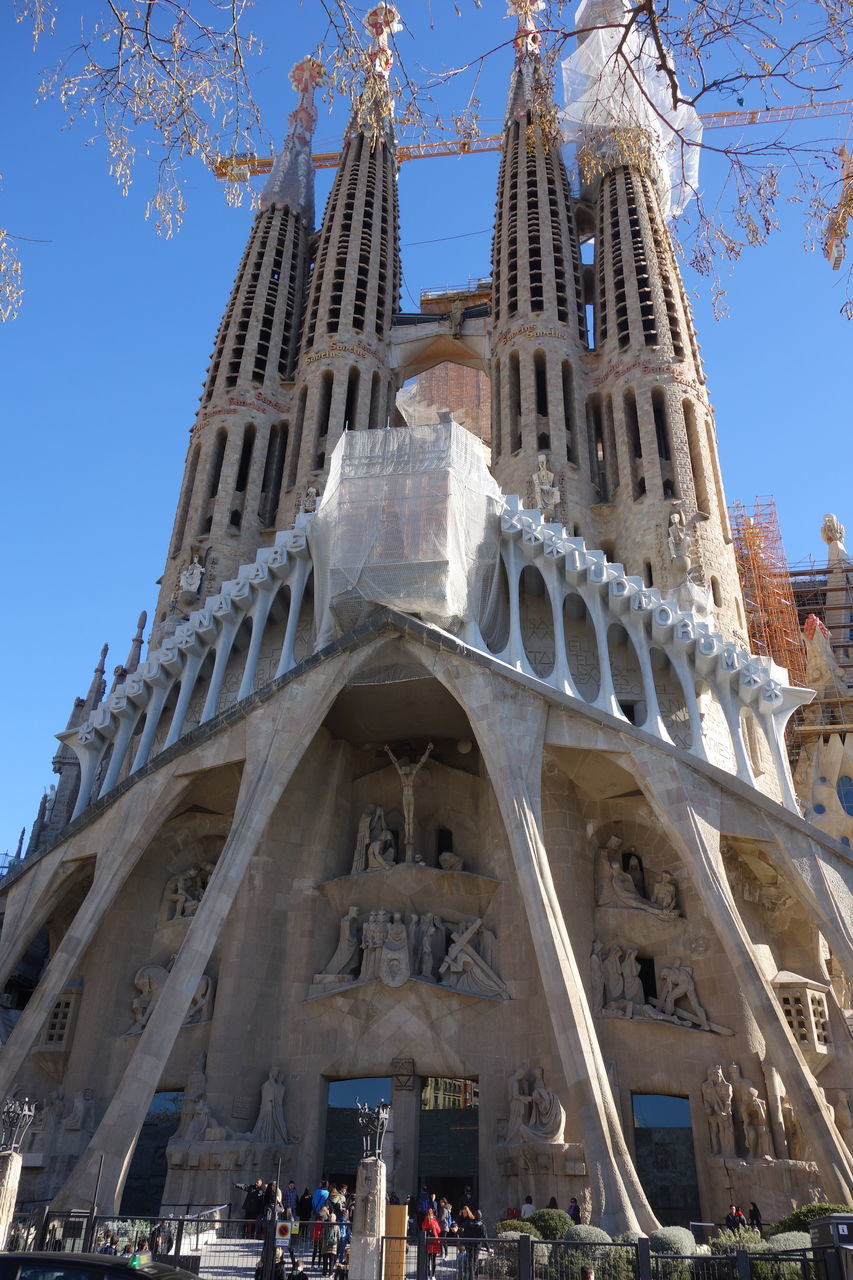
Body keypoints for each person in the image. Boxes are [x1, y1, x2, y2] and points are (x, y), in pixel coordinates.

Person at [459, 1208, 487, 1280]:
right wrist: (488, 1248)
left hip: (469, 1245)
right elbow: (484, 1237)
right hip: (477, 1246)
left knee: (470, 1261)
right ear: (480, 1216)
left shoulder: (469, 1223)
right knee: (475, 1261)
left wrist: (463, 1243)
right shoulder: (482, 1225)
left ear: (474, 1215)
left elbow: (464, 1234)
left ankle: (470, 1276)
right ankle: (472, 1277)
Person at [423, 1207, 442, 1277]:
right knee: (433, 1260)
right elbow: (439, 1230)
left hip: (427, 1243)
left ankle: (427, 1275)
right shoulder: (434, 1221)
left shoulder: (424, 1221)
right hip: (434, 1243)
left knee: (427, 1260)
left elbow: (422, 1229)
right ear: (432, 1214)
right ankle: (433, 1275)